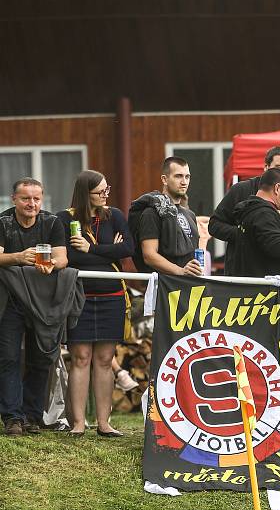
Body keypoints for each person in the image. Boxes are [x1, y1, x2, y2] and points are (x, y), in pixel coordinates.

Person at [56, 171, 134, 437]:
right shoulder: (64, 219)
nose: (105, 195)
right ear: (84, 193)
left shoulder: (115, 216)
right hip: (80, 296)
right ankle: (78, 423)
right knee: (81, 358)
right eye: (100, 191)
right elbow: (69, 257)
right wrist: (107, 249)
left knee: (104, 359)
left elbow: (128, 249)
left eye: (106, 190)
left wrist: (93, 250)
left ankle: (104, 423)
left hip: (112, 296)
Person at [0, 178, 68, 436]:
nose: (32, 204)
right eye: (26, 198)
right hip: (10, 301)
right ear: (14, 199)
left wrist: (52, 265)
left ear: (42, 199)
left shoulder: (52, 222)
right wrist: (18, 257)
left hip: (43, 302)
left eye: (36, 198)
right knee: (8, 357)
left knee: (41, 358)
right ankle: (12, 417)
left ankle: (31, 415)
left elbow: (63, 257)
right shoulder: (3, 222)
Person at [209, 146, 280, 274]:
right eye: (279, 167)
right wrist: (247, 235)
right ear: (266, 168)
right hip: (247, 274)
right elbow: (214, 225)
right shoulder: (241, 190)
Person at [130, 157, 201, 276]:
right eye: (178, 176)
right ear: (164, 179)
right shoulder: (151, 213)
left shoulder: (190, 214)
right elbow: (149, 255)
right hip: (164, 286)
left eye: (187, 176)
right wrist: (180, 271)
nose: (184, 182)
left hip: (189, 284)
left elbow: (194, 252)